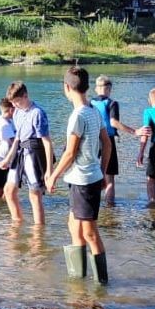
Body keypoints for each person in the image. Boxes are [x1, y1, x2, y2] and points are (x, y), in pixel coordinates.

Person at [46, 67, 112, 284]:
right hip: (84, 179)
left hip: (84, 181)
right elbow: (107, 143)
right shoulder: (93, 110)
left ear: (67, 88)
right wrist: (102, 171)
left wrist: (53, 175)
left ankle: (101, 284)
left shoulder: (77, 115)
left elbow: (70, 152)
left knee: (90, 233)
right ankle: (78, 280)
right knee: (74, 226)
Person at [0, 81, 53, 225]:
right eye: (13, 102)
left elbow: (47, 142)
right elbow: (17, 138)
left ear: (25, 96)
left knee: (34, 195)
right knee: (9, 190)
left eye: (17, 101)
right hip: (20, 152)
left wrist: (49, 170)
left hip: (34, 152)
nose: (15, 105)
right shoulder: (17, 112)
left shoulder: (37, 113)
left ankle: (38, 232)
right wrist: (8, 158)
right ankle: (17, 223)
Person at [90, 75, 141, 206]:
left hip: (92, 141)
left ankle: (91, 203)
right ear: (109, 89)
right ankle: (110, 207)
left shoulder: (90, 103)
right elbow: (113, 122)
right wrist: (134, 131)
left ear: (96, 89)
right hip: (108, 141)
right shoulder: (112, 103)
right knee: (109, 176)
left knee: (91, 174)